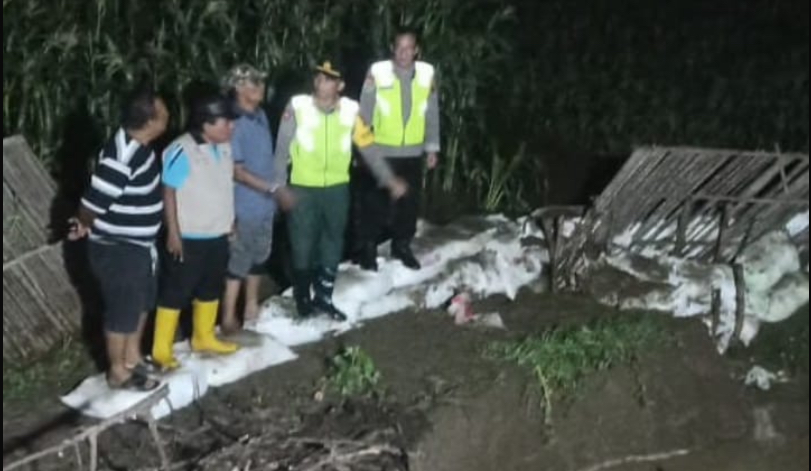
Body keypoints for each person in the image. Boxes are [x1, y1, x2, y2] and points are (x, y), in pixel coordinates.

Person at [274, 61, 407, 321]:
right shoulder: (297, 107)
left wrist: (388, 179)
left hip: (336, 187)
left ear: (340, 85)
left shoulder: (350, 111)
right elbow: (281, 150)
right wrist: (279, 186)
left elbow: (368, 148)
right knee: (302, 244)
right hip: (302, 187)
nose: (321, 83)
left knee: (332, 242)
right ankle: (302, 297)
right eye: (319, 78)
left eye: (329, 79)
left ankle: (324, 297)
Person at [69, 87, 169, 391]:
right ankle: (118, 373)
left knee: (140, 303)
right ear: (150, 121)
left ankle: (132, 358)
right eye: (164, 112)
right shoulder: (121, 156)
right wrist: (83, 223)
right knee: (123, 309)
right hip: (118, 249)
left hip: (138, 247)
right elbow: (96, 197)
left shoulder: (139, 147)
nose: (168, 116)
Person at [151, 94, 240, 369]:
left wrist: (230, 220)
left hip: (217, 234)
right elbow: (169, 191)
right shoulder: (181, 149)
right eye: (226, 122)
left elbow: (224, 185)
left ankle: (203, 337)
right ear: (206, 124)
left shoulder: (224, 147)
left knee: (210, 288)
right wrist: (173, 232)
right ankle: (161, 349)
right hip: (189, 236)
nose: (232, 127)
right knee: (175, 292)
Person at [355, 27, 441, 271]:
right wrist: (364, 148)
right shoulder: (378, 72)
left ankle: (402, 246)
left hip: (413, 152)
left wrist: (432, 147)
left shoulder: (427, 74)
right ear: (392, 48)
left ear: (417, 50)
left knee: (409, 204)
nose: (404, 53)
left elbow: (432, 112)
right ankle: (368, 249)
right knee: (375, 203)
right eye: (399, 47)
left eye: (409, 48)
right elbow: (365, 111)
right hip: (382, 150)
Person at [220, 64, 277, 336]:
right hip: (244, 205)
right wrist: (271, 189)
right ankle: (228, 316)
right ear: (238, 88)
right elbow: (237, 171)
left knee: (259, 256)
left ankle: (251, 307)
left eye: (260, 83)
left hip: (265, 205)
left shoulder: (261, 116)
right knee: (237, 264)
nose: (260, 89)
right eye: (253, 85)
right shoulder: (234, 123)